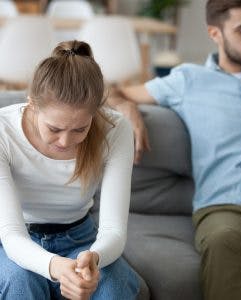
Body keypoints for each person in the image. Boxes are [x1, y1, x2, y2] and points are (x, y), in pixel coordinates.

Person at [107, 0, 241, 299]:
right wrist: (127, 108)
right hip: (222, 209)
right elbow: (110, 90)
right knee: (221, 244)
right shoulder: (187, 80)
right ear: (215, 33)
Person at [0, 40, 139, 300]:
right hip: (18, 239)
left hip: (81, 239)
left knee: (114, 287)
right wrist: (55, 267)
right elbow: (11, 234)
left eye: (80, 129)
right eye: (54, 129)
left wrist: (92, 259)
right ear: (32, 105)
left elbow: (113, 231)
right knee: (19, 283)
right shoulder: (2, 131)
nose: (65, 142)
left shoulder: (116, 129)